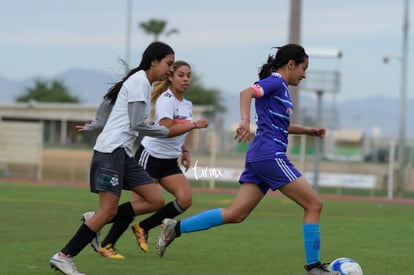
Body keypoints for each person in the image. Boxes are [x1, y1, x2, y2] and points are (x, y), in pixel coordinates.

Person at [155, 44, 341, 275]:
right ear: (291, 65)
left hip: (260, 155)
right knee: (314, 204)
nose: (305, 74)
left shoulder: (280, 88)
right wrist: (244, 120)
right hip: (270, 155)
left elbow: (278, 125)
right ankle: (314, 267)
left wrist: (308, 131)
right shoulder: (276, 81)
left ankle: (176, 228)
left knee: (236, 214)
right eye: (303, 68)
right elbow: (247, 93)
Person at [49, 41, 179, 275]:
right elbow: (137, 124)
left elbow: (109, 100)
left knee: (155, 200)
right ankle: (63, 256)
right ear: (154, 61)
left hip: (122, 154)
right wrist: (167, 131)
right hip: (111, 153)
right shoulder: (140, 81)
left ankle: (95, 218)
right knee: (108, 211)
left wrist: (98, 123)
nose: (171, 69)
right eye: (169, 64)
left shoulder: (142, 82)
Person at [87, 60, 209, 257]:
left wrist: (184, 150)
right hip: (151, 156)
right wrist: (194, 125)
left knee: (185, 199)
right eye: (181, 75)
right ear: (170, 77)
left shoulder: (187, 104)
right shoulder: (166, 100)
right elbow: (167, 130)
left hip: (169, 160)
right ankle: (106, 241)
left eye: (188, 75)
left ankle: (143, 227)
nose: (186, 79)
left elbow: (179, 131)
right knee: (138, 205)